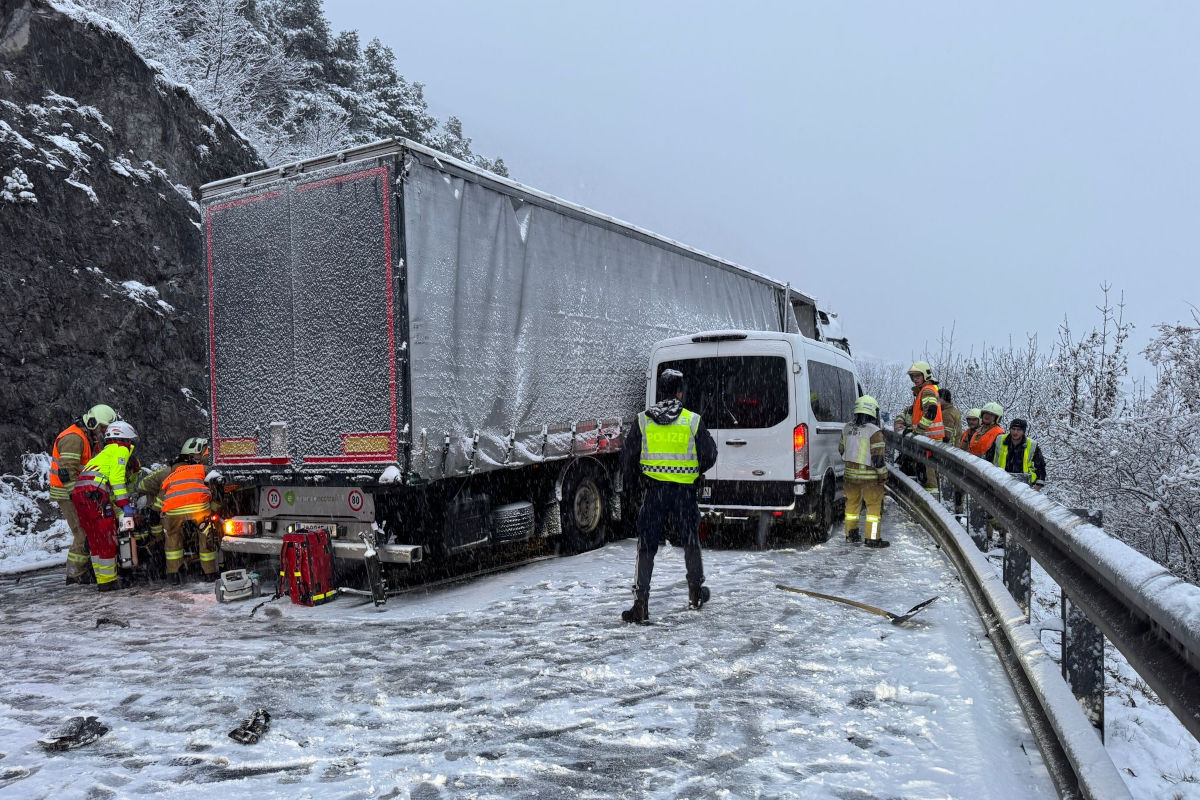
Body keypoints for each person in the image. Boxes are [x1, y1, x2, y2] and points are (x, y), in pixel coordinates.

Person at [620, 368, 718, 624]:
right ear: (679, 392)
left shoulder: (643, 421)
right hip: (684, 494)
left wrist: (637, 486)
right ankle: (695, 593)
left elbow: (628, 459)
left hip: (654, 493)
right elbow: (710, 455)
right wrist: (692, 471)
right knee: (690, 542)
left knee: (646, 546)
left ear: (660, 392)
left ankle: (641, 603)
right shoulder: (692, 421)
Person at [51, 404, 118, 584]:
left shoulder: (89, 437)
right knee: (82, 532)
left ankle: (84, 569)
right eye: (103, 427)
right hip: (69, 493)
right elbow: (66, 471)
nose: (104, 431)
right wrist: (78, 496)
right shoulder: (74, 438)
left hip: (82, 491)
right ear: (93, 422)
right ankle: (75, 574)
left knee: (90, 530)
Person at [70, 421, 139, 592]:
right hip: (96, 495)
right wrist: (124, 505)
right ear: (125, 437)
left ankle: (103, 580)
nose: (131, 445)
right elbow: (116, 479)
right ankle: (108, 582)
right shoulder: (120, 450)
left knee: (95, 540)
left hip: (80, 495)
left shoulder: (103, 453)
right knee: (107, 538)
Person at [160, 437, 220, 583]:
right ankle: (209, 573)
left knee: (172, 539)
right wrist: (214, 508)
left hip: (173, 510)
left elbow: (162, 493)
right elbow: (216, 482)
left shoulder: (171, 474)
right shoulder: (201, 469)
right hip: (198, 507)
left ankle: (173, 575)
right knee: (206, 535)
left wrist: (161, 513)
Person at [839, 395, 889, 547]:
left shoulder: (847, 428)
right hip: (870, 478)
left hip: (850, 476)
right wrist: (883, 476)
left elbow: (841, 450)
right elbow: (878, 459)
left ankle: (851, 534)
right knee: (873, 508)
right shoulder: (874, 431)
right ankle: (872, 539)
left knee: (852, 506)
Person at [905, 361, 944, 498]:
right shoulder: (925, 391)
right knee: (927, 474)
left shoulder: (927, 391)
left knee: (929, 477)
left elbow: (931, 412)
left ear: (925, 376)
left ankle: (932, 506)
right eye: (913, 377)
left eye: (917, 376)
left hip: (929, 440)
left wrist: (918, 430)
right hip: (928, 440)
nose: (915, 379)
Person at [986, 419, 1046, 490]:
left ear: (1023, 431)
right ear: (1010, 429)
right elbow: (988, 458)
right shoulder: (999, 440)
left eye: (1019, 430)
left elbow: (1040, 465)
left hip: (1024, 484)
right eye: (1013, 429)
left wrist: (1039, 483)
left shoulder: (1032, 445)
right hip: (999, 480)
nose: (1015, 432)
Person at [939, 388, 962, 452]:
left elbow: (946, 436)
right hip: (955, 447)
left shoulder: (946, 413)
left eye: (938, 398)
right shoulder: (954, 410)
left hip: (948, 449)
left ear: (943, 399)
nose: (936, 401)